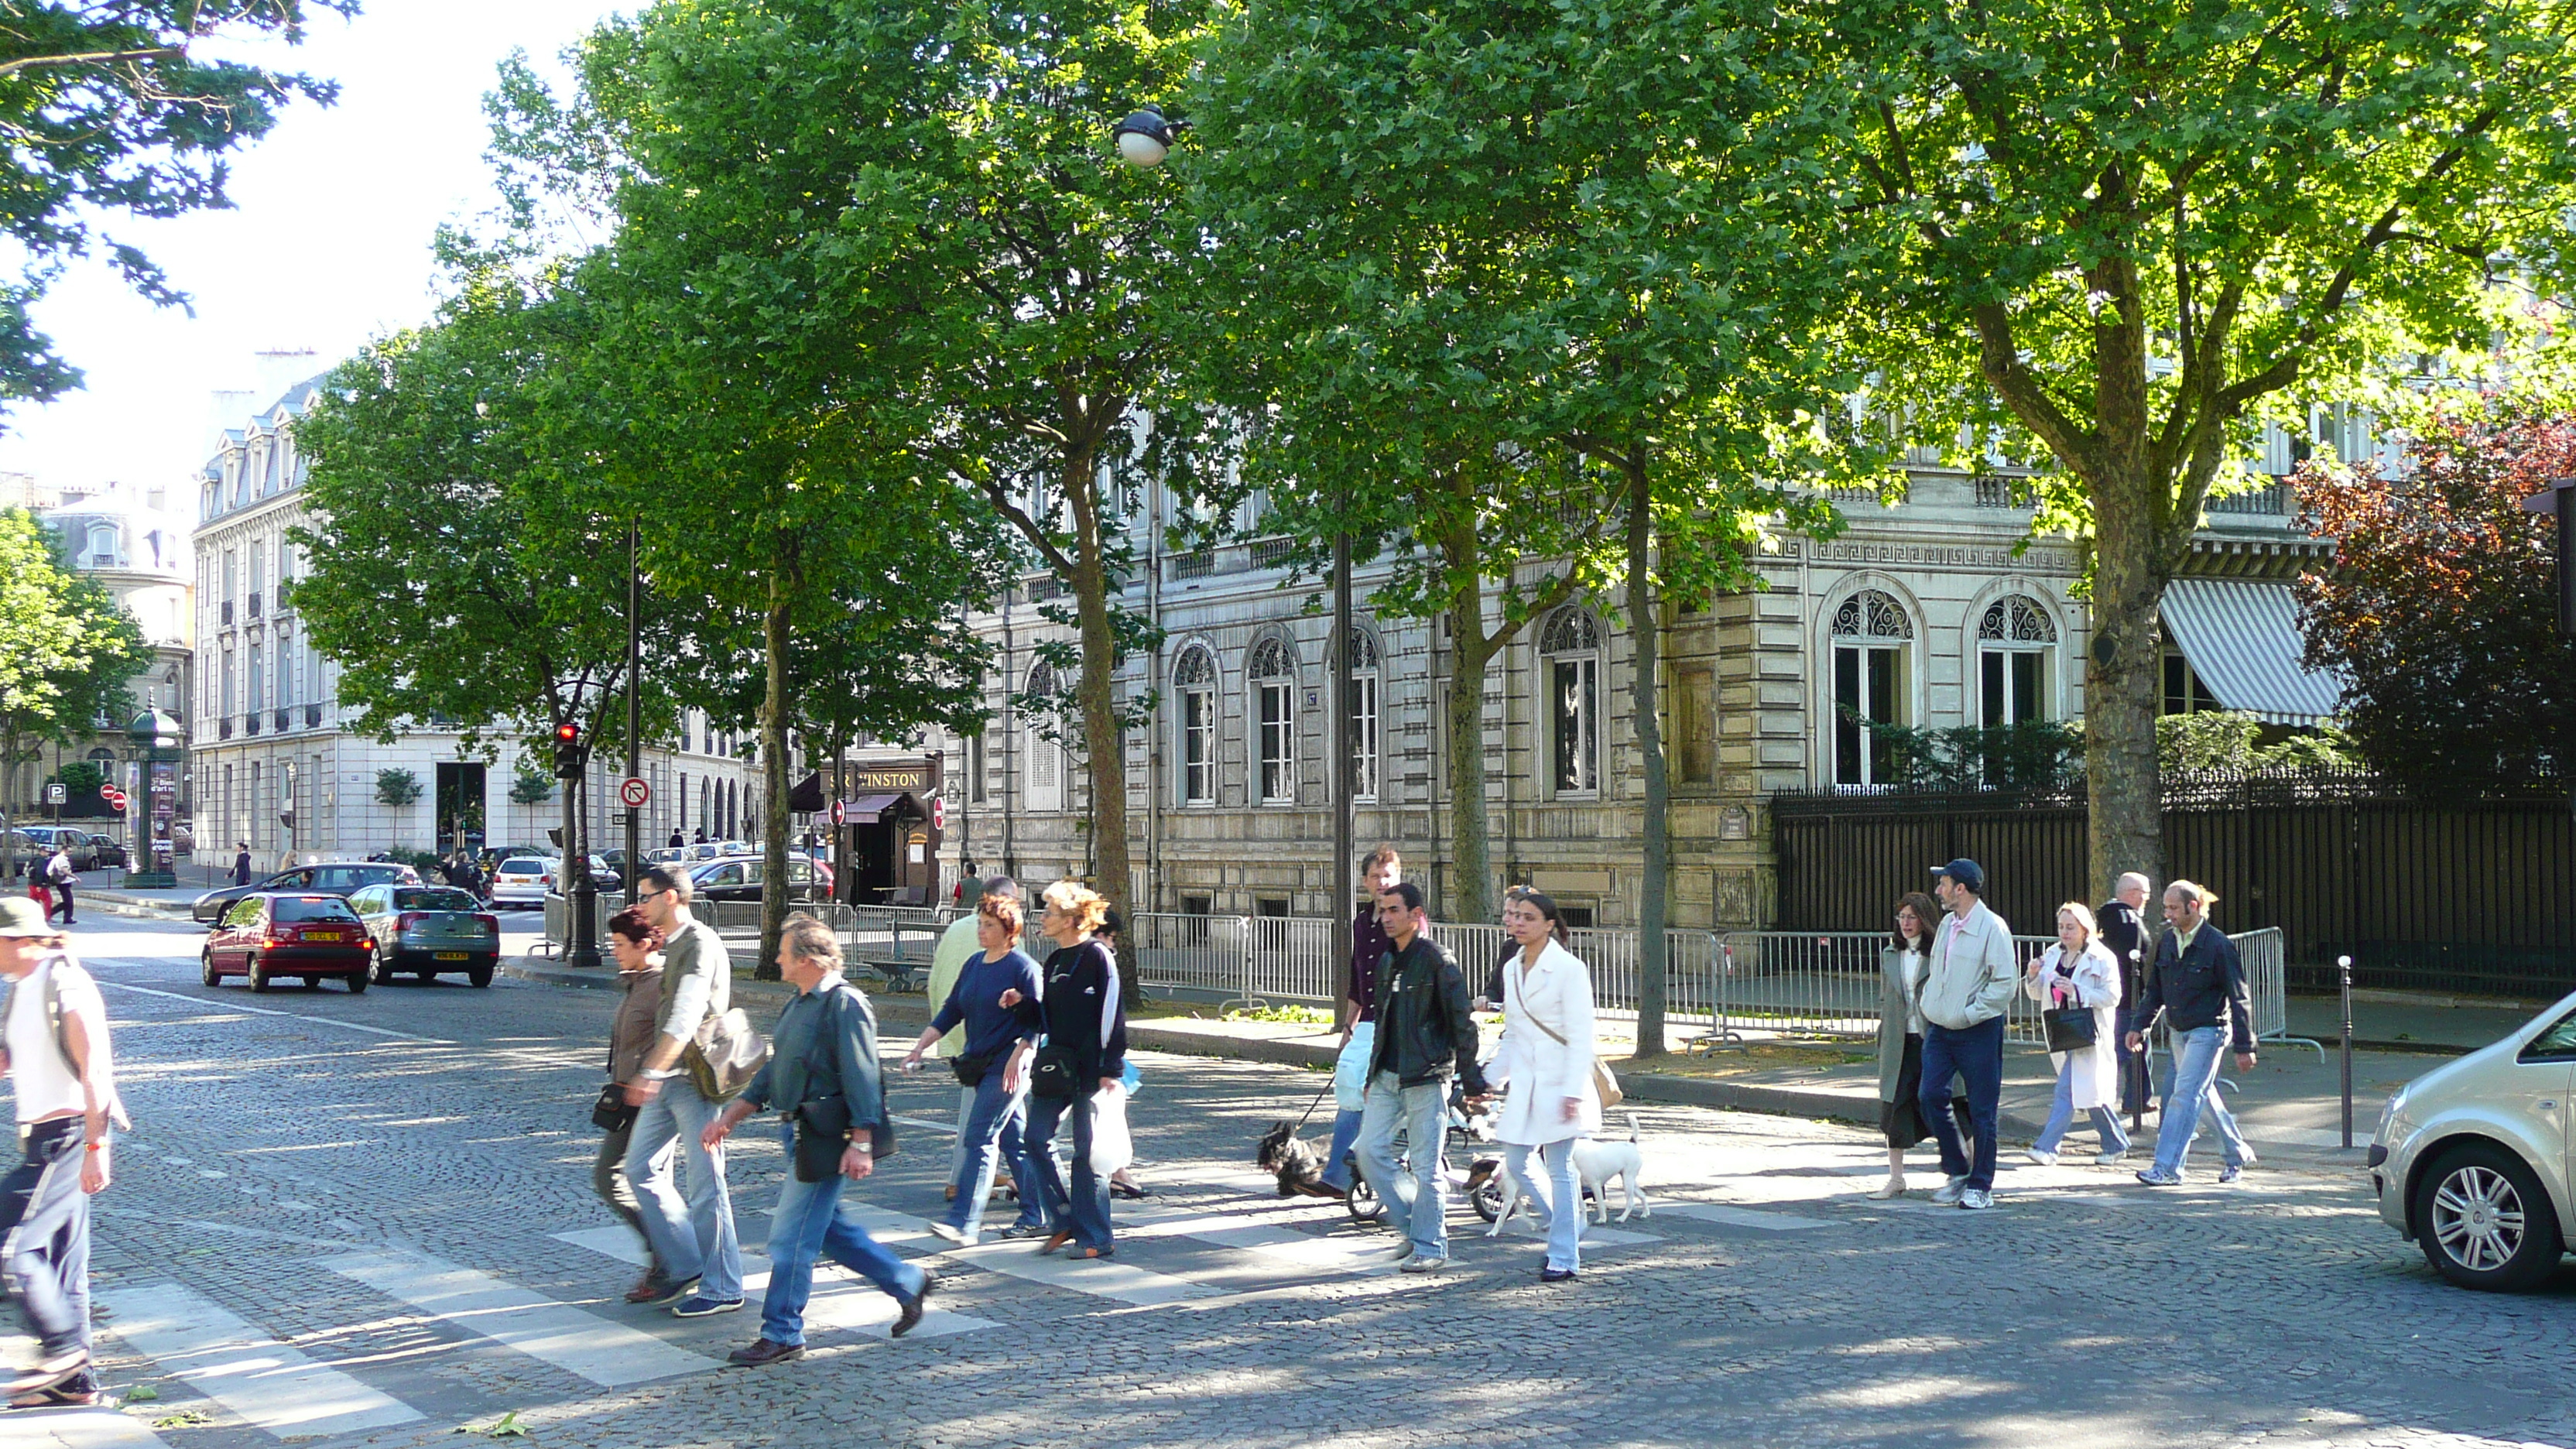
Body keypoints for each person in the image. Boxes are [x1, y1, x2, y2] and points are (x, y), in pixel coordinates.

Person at [702, 915, 933, 1364]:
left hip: (826, 1136)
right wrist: (732, 1116)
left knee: (790, 1240)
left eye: (784, 953)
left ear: (806, 960)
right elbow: (775, 1070)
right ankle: (906, 1281)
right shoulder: (801, 1002)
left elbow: (864, 1074)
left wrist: (861, 1141)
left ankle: (783, 1332)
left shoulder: (845, 1004)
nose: (777, 959)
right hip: (802, 1133)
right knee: (830, 1232)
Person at [0, 897, 129, 1406]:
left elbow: (94, 1069)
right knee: (63, 1264)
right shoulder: (23, 986)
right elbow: (15, 1054)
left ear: (18, 940)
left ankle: (60, 1351)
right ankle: (74, 1383)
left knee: (11, 1244)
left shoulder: (66, 984)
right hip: (39, 1135)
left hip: (69, 1137)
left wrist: (98, 1148)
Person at [621, 867, 744, 1317]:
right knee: (640, 1169)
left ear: (670, 897)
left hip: (693, 1082)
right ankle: (690, 1262)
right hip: (673, 1080)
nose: (639, 904)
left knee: (707, 1186)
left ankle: (724, 1286)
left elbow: (686, 1016)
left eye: (646, 896)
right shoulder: (676, 943)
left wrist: (651, 1071)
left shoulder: (696, 943)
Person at [1354, 880, 1488, 1273]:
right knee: (1367, 1151)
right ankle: (1415, 1227)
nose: (1386, 918)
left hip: (1427, 1076)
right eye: (1382, 910)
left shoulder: (1436, 961)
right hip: (1387, 1075)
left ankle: (1431, 1246)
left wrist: (1471, 1078)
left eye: (1394, 910)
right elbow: (1383, 1023)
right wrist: (1371, 1071)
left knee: (1427, 1169)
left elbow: (1462, 1022)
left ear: (1416, 915)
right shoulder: (1387, 961)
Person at [904, 892, 1045, 1246]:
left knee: (979, 1137)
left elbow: (1039, 1023)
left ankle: (963, 1223)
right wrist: (919, 1047)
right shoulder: (973, 964)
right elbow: (952, 1010)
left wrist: (1021, 1054)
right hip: (978, 1064)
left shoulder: (1023, 967)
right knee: (1015, 1141)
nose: (981, 931)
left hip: (1008, 1067)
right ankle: (1038, 1213)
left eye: (989, 925)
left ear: (1009, 929)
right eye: (980, 924)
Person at [1001, 881, 1127, 1260]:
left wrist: (1110, 1067)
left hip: (1091, 1070)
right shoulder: (1055, 962)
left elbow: (1112, 1014)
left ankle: (1097, 1236)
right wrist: (1022, 1005)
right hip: (1056, 1068)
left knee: (1086, 1153)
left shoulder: (1098, 957)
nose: (1042, 918)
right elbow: (1047, 1017)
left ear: (1072, 920)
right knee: (1036, 1139)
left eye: (1050, 913)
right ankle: (1064, 1219)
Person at [1479, 887, 1599, 1283]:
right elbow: (1513, 1034)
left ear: (1549, 924)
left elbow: (1582, 1037)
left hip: (1562, 1082)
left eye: (1527, 917)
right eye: (1512, 915)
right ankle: (1566, 1222)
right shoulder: (1512, 967)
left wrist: (1572, 1092)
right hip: (1527, 1084)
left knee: (1561, 1167)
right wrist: (1487, 1080)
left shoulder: (1569, 969)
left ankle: (1563, 1256)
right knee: (1516, 1161)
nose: (1516, 922)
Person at [2127, 880, 2258, 1186]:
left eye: (2174, 908)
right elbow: (2155, 990)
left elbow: (2239, 996)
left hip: (2209, 1031)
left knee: (2183, 1096)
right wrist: (2139, 1025)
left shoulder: (2218, 944)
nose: (2168, 914)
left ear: (2193, 907)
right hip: (2179, 1031)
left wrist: (2244, 1045)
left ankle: (2167, 1168)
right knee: (2202, 1095)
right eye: (2166, 908)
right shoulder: (2168, 941)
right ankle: (2237, 1152)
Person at [1917, 858, 2016, 1210]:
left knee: (1982, 1109)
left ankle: (1980, 1184)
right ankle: (1958, 1170)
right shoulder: (1947, 923)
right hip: (1941, 1029)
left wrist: (1971, 1013)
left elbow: (2005, 983)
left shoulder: (1993, 927)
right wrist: (1933, 1003)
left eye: (1943, 883)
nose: (1938, 890)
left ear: (1961, 888)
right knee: (1929, 1095)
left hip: (1978, 1031)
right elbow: (1938, 970)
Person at [600, 908, 680, 1302]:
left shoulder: (661, 984)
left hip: (651, 1097)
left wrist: (647, 1075)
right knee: (621, 1178)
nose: (613, 950)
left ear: (644, 944)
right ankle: (668, 1256)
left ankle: (671, 1258)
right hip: (628, 1095)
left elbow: (672, 1037)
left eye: (618, 944)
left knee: (618, 1176)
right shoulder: (635, 982)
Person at [1872, 891, 1970, 1199]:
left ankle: (1971, 1173)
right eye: (1901, 917)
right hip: (1899, 1043)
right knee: (1895, 1108)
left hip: (1936, 1040)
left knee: (1952, 1105)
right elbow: (1888, 999)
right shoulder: (1891, 954)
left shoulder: (1940, 953)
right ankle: (1896, 1179)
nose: (1906, 923)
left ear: (1925, 920)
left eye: (1912, 916)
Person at [927, 878, 1019, 1200]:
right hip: (992, 1044)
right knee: (983, 1117)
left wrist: (937, 1032)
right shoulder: (1004, 939)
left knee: (999, 1115)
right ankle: (964, 1181)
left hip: (958, 1037)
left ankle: (1002, 1176)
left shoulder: (956, 929)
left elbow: (936, 981)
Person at [1317, 845, 1402, 1197]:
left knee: (1363, 1091)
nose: (1382, 882)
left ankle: (1346, 1172)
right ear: (1365, 882)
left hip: (1392, 1021)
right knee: (1349, 1089)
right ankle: (1339, 1173)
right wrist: (1347, 1027)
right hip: (1366, 1020)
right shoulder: (1362, 920)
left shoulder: (1407, 917)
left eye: (1388, 876)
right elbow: (1357, 978)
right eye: (1375, 876)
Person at [2023, 903, 2130, 1166]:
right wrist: (2032, 975)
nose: (2065, 932)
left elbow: (2113, 996)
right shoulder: (2051, 955)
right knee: (2089, 1093)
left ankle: (2047, 1147)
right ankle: (2116, 1142)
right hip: (2062, 1030)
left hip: (2089, 1032)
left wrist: (2078, 991)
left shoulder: (2102, 958)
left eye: (2071, 927)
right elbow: (2037, 995)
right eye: (2061, 927)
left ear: (2085, 929)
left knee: (2068, 1090)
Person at [2096, 872, 2154, 1118]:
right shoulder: (2125, 919)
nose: (2146, 900)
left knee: (2137, 1050)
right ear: (2132, 893)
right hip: (2127, 995)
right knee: (2127, 1050)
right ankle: (2123, 1099)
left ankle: (2138, 1098)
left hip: (2126, 995)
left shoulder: (2111, 917)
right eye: (2145, 894)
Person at [45, 848, 75, 927]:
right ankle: (51, 913)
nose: (71, 853)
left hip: (63, 881)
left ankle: (67, 918)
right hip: (62, 882)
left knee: (68, 901)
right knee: (68, 902)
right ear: (64, 851)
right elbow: (65, 870)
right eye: (70, 851)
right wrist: (76, 878)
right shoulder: (61, 859)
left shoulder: (58, 858)